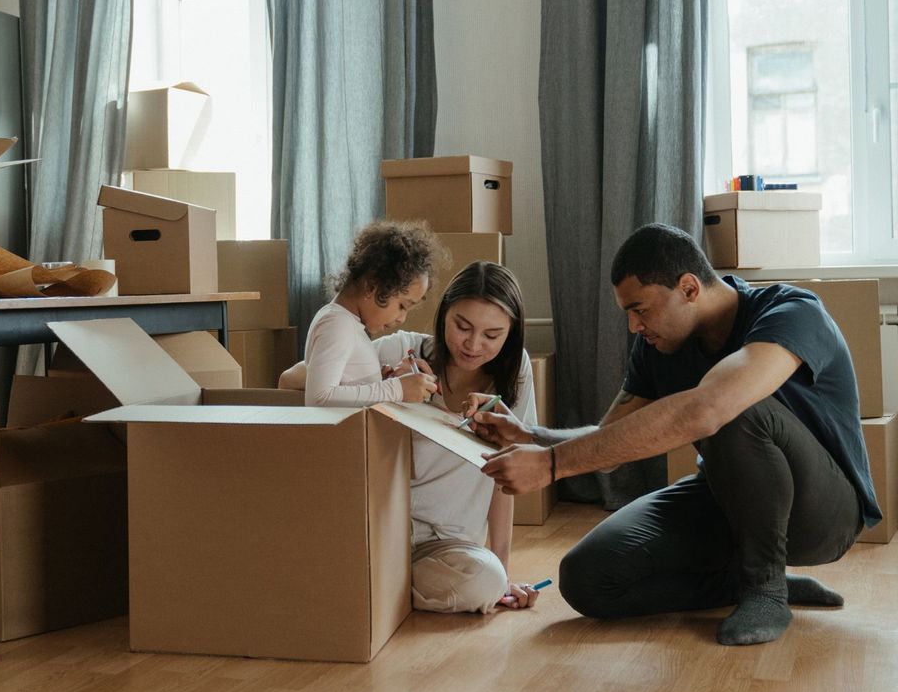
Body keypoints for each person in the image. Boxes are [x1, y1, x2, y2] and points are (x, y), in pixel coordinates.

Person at [476, 223, 880, 645]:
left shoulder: (792, 312)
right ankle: (744, 581)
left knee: (732, 407)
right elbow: (610, 441)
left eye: (641, 309)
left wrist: (551, 466)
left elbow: (709, 409)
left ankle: (766, 588)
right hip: (728, 500)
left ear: (688, 288)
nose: (634, 326)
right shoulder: (657, 346)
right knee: (587, 578)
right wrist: (532, 437)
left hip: (824, 514)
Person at [284, 260, 544, 613]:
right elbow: (291, 380)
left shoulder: (516, 376)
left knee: (486, 581)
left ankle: (370, 586)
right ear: (443, 315)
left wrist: (503, 570)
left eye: (492, 335)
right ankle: (374, 584)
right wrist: (387, 384)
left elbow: (506, 476)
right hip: (380, 529)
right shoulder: (401, 349)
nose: (472, 344)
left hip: (448, 545)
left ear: (511, 334)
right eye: (462, 326)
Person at [302, 221, 443, 407]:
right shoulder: (337, 324)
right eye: (402, 306)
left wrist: (379, 384)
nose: (402, 318)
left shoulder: (348, 324)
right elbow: (319, 398)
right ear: (371, 286)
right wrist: (396, 389)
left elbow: (345, 390)